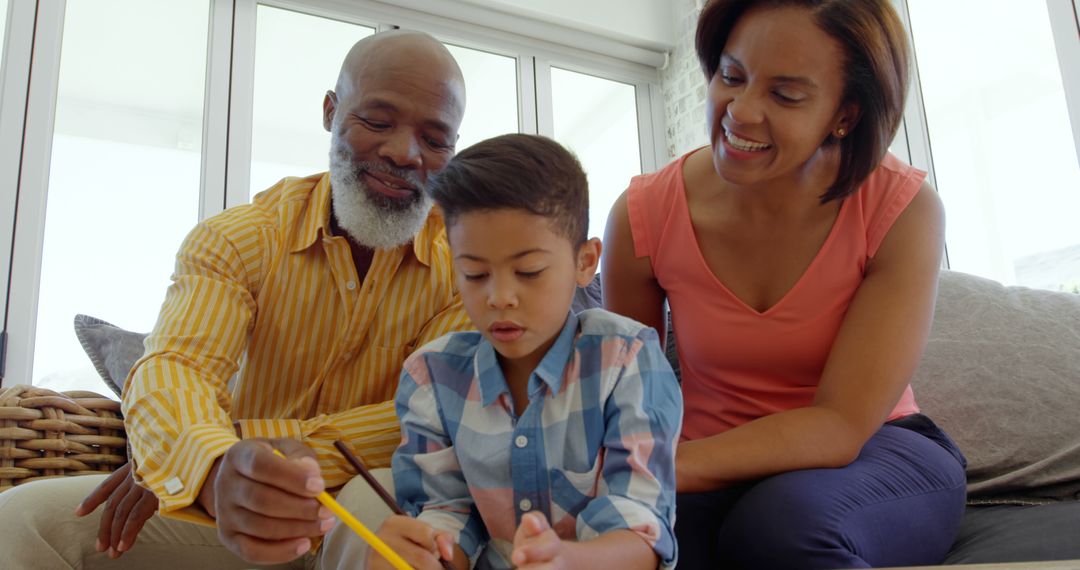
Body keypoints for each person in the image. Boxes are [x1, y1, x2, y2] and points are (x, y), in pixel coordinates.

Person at [0, 30, 472, 569]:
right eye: (378, 122)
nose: (404, 153)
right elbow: (177, 367)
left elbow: (426, 420)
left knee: (382, 498)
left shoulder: (467, 269)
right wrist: (211, 469)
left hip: (361, 511)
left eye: (435, 139)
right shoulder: (241, 238)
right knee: (21, 520)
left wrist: (223, 450)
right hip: (229, 517)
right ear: (330, 111)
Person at [601, 1, 968, 568]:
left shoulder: (903, 209)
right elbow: (625, 399)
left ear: (844, 115)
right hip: (709, 464)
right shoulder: (642, 215)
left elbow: (841, 425)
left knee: (779, 528)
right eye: (732, 76)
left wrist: (661, 470)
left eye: (786, 95)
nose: (740, 112)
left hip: (876, 452)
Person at [368, 134, 682, 570]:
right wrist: (425, 553)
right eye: (474, 274)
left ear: (585, 261)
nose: (500, 297)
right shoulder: (432, 377)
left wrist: (566, 561)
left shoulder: (624, 360)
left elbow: (641, 527)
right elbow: (447, 515)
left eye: (529, 272)